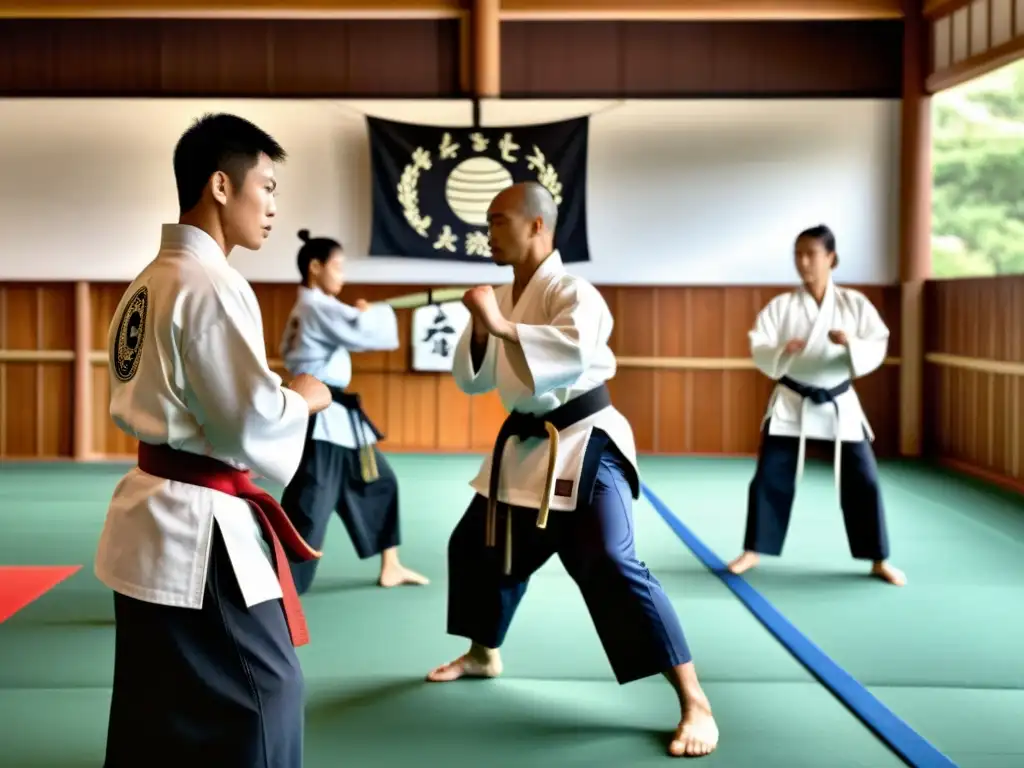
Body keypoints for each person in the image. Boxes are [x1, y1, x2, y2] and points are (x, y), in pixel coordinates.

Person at [425, 181, 719, 759]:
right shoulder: (504, 295)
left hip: (585, 441)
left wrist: (500, 324)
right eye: (487, 223)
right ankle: (485, 653)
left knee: (610, 559)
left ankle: (694, 699)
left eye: (499, 220)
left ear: (538, 225)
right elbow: (474, 379)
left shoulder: (574, 291)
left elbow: (573, 354)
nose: (489, 233)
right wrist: (485, 324)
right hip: (525, 446)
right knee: (477, 547)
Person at [93, 113, 332, 768]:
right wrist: (303, 399)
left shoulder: (150, 278)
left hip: (150, 514)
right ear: (221, 187)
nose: (275, 207)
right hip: (198, 528)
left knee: (160, 701)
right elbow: (247, 422)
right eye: (268, 187)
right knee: (268, 695)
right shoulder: (207, 283)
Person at [726, 225, 906, 587]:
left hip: (838, 400)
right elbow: (759, 343)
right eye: (798, 254)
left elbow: (877, 341)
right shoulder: (782, 306)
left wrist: (851, 343)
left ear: (831, 259)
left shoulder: (854, 304)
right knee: (769, 476)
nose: (803, 261)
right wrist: (781, 351)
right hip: (793, 400)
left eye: (811, 253)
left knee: (863, 480)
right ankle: (754, 549)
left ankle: (877, 558)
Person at [279, 230, 429, 591]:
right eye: (338, 266)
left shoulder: (312, 307)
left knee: (380, 482)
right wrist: (370, 314)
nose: (342, 274)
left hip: (338, 418)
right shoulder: (316, 306)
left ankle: (390, 564)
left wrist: (362, 313)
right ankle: (282, 582)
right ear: (315, 267)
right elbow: (362, 333)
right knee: (311, 500)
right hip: (322, 418)